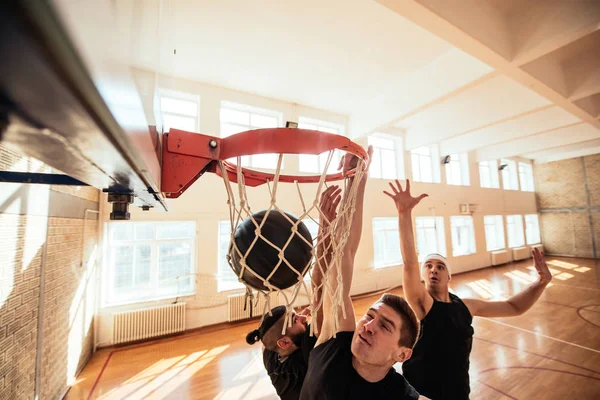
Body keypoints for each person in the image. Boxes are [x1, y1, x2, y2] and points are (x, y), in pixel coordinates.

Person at [384, 179, 553, 400]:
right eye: (428, 266)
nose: (434, 269)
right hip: (421, 396)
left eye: (440, 266)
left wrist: (540, 282)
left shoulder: (466, 306)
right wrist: (404, 214)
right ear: (423, 276)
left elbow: (514, 307)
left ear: (449, 276)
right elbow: (409, 263)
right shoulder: (421, 304)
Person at [300, 147, 426, 400]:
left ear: (402, 355)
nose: (368, 327)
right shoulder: (334, 344)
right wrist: (357, 179)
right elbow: (343, 254)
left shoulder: (402, 395)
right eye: (369, 316)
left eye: (385, 326)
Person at [245, 184, 342, 400]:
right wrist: (325, 225)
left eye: (295, 313)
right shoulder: (307, 355)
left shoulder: (270, 353)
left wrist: (298, 320)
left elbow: (270, 332)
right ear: (285, 343)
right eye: (296, 319)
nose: (302, 316)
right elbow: (320, 283)